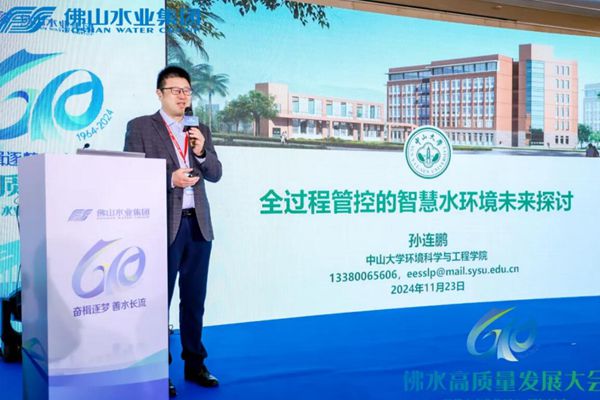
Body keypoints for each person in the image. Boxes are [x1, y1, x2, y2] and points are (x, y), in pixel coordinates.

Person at [124, 66, 222, 398]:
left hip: (199, 226)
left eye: (187, 91)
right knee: (158, 303)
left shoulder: (199, 129)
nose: (183, 96)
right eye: (176, 90)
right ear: (159, 93)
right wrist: (170, 180)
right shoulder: (140, 127)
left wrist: (201, 152)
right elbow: (131, 176)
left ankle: (195, 364)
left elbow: (216, 173)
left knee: (194, 301)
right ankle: (157, 370)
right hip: (163, 226)